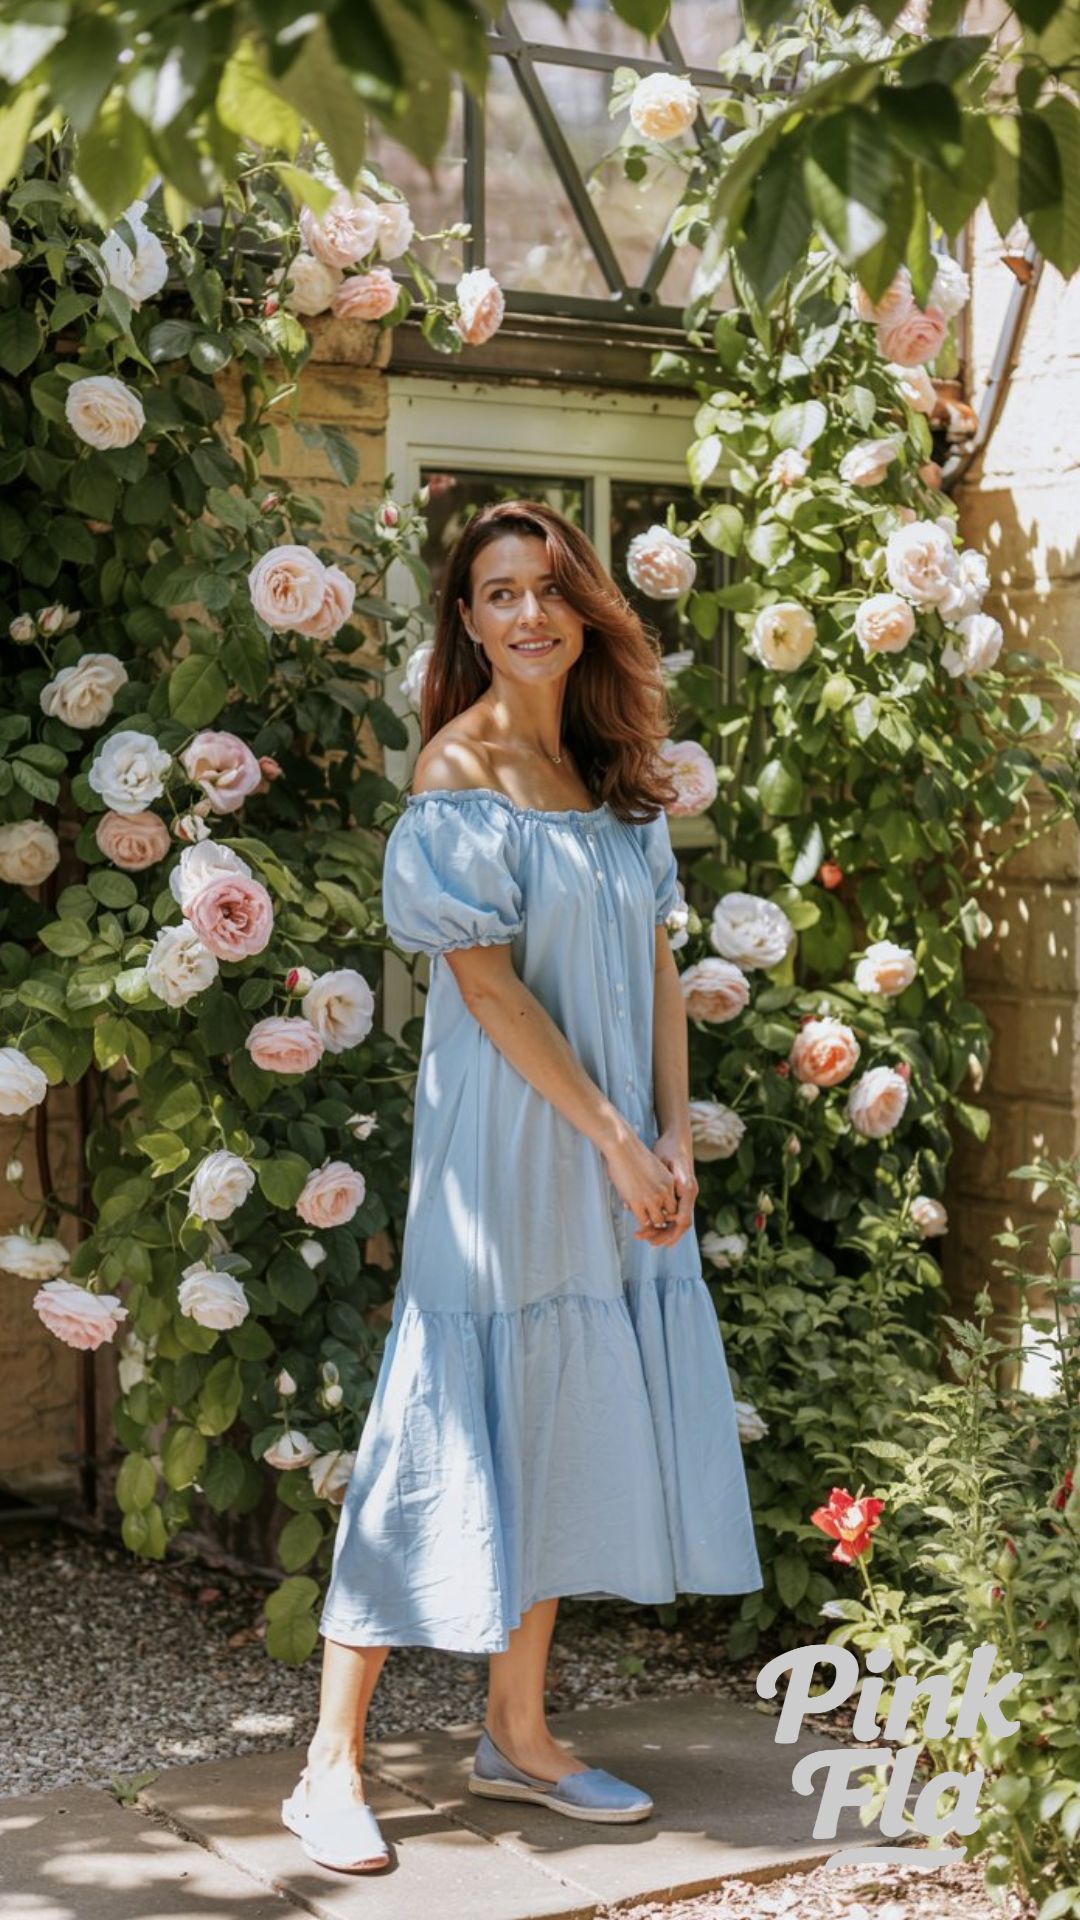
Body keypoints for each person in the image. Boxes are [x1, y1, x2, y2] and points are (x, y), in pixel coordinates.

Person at [281, 500, 762, 1873]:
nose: (528, 614)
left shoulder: (617, 777)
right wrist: (614, 1137)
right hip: (507, 1157)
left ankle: (517, 1733)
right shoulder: (457, 774)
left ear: (584, 606)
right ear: (467, 620)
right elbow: (486, 989)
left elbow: (660, 969)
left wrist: (672, 1136)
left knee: (557, 1405)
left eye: (549, 589)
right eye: (498, 594)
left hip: (613, 1150)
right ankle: (328, 1766)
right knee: (442, 1412)